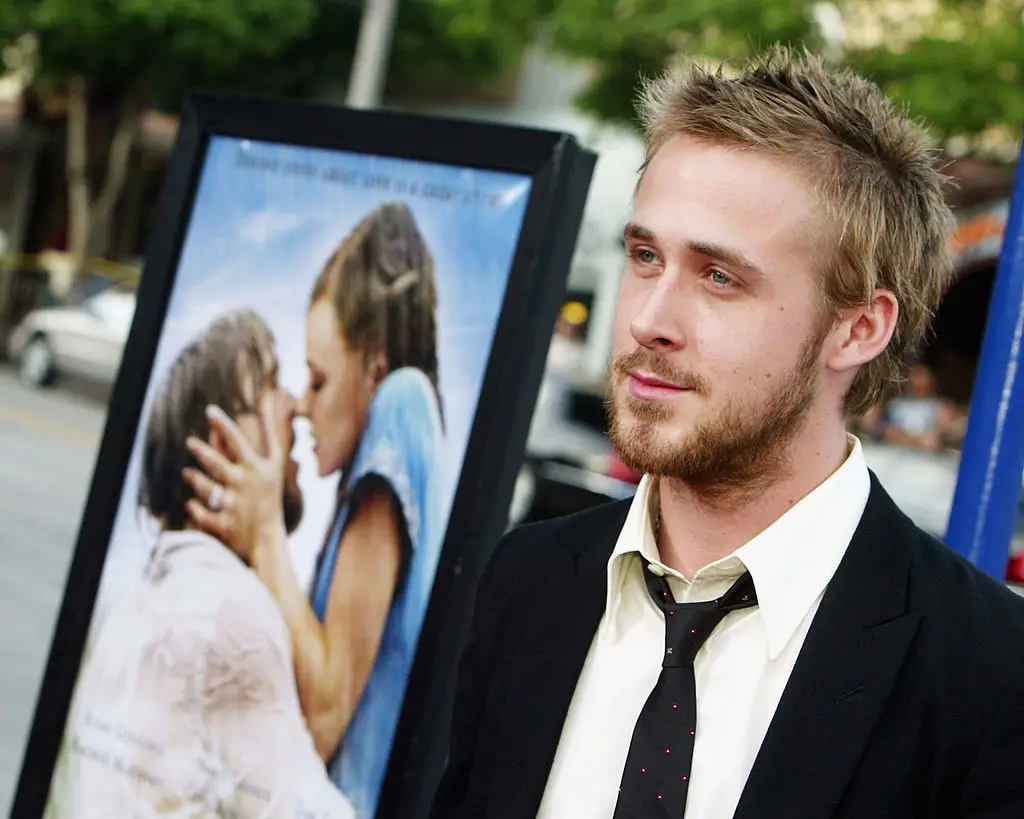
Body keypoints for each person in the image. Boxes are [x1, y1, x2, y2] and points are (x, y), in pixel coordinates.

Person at [429, 45, 1024, 819]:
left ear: (858, 327)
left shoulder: (988, 674)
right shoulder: (527, 582)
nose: (648, 319)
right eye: (645, 256)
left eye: (719, 277)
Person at [186, 202, 446, 819]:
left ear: (374, 365)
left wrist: (266, 532)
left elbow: (326, 714)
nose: (303, 405)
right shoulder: (380, 456)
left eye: (319, 380)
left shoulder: (402, 401)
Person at [50, 309, 355, 819]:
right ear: (223, 444)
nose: (296, 408)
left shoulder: (130, 605)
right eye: (273, 384)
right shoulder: (229, 612)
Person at [859, 361, 966, 451]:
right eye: (914, 379)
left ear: (931, 383)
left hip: (928, 459)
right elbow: (882, 430)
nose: (917, 384)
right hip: (894, 452)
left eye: (922, 379)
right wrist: (916, 440)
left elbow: (952, 430)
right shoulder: (895, 405)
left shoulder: (941, 407)